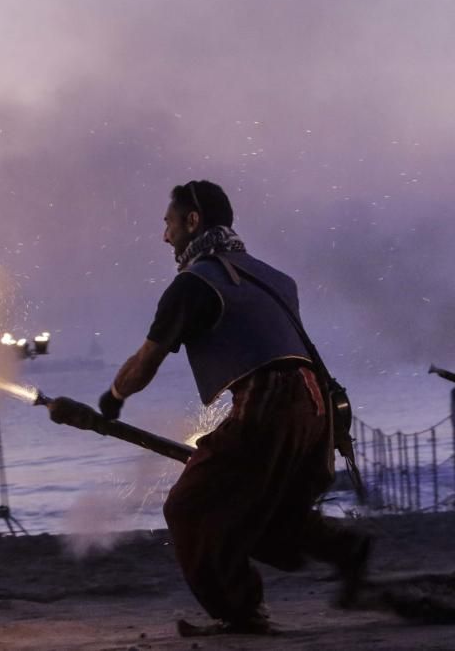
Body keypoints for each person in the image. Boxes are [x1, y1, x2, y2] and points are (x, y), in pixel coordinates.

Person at [89, 180, 370, 634]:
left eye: (168, 223)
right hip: (315, 405)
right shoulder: (274, 277)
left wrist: (114, 397)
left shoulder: (193, 284)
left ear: (192, 221)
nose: (165, 237)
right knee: (265, 508)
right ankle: (344, 549)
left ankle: (241, 612)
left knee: (190, 507)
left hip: (270, 400)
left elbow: (145, 363)